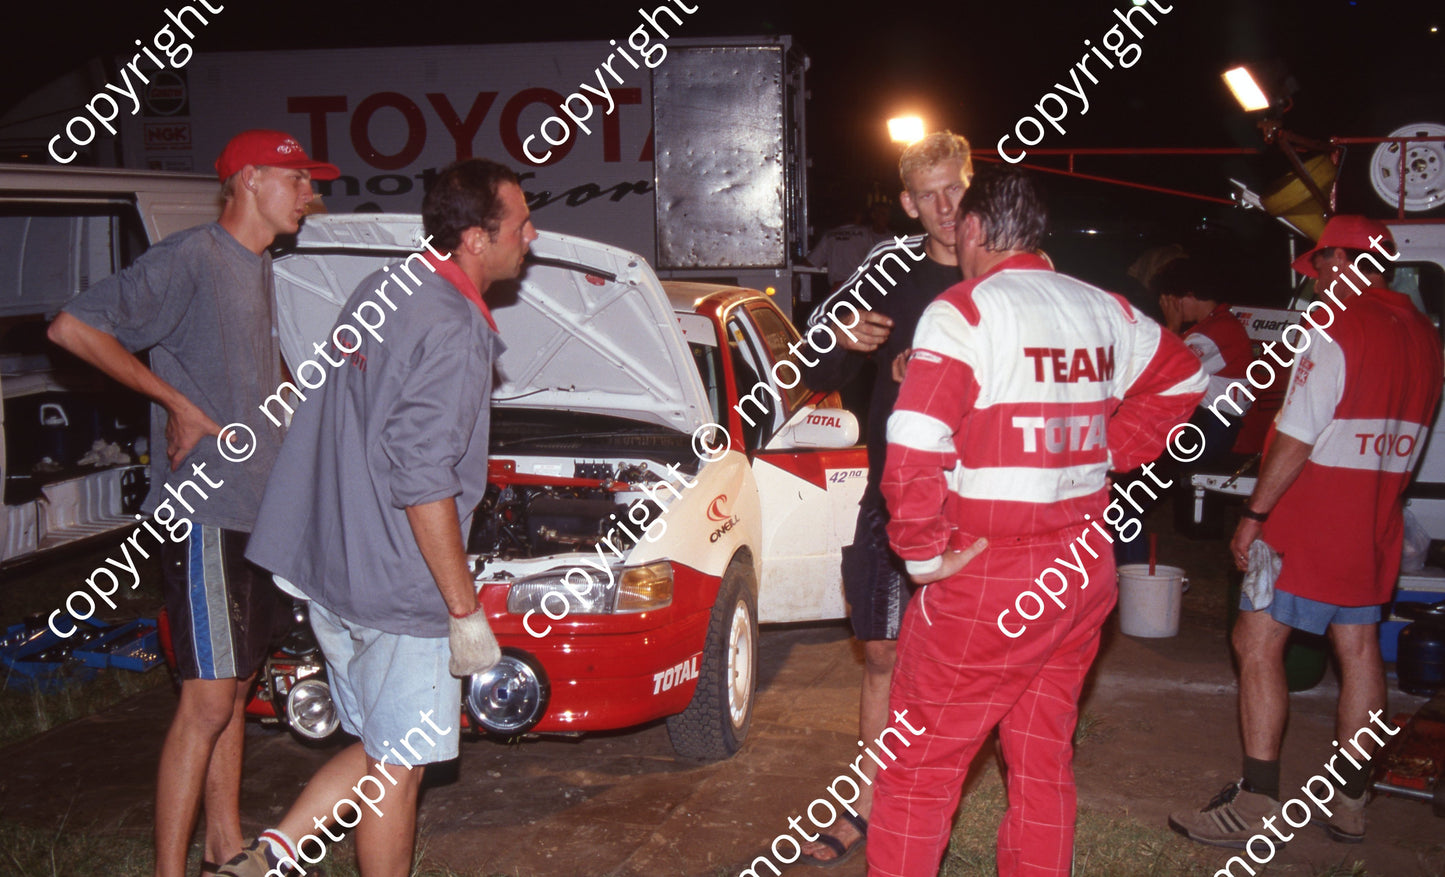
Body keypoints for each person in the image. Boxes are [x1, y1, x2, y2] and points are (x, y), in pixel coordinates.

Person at [868, 166, 1207, 876]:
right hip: (1081, 565)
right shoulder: (1101, 307)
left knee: (917, 771)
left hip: (988, 572)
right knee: (1042, 760)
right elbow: (1183, 376)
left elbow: (913, 447)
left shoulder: (964, 311)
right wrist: (1112, 448)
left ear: (973, 229)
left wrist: (923, 557)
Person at [218, 158, 533, 877]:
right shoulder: (454, 327)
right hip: (400, 586)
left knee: (379, 746)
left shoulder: (382, 288)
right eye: (519, 224)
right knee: (400, 768)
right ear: (476, 240)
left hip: (332, 568)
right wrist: (462, 610)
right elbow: (422, 478)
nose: (531, 236)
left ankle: (264, 858)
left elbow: (349, 423)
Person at [46, 129, 337, 877]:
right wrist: (174, 403)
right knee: (207, 701)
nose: (312, 193)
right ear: (248, 180)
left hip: (257, 510)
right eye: (298, 179)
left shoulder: (258, 267)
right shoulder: (192, 258)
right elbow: (74, 326)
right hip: (206, 510)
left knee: (235, 689)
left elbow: (253, 370)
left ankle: (225, 849)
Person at [1169, 215, 1442, 847]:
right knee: (1361, 651)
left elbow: (1298, 432)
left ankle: (1258, 798)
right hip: (1377, 517)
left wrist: (1256, 514)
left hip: (1312, 515)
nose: (1315, 279)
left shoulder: (1335, 324)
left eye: (1319, 265)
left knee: (1257, 641)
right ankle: (1351, 801)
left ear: (1345, 262)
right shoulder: (1425, 335)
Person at [797, 131, 971, 865]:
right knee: (879, 651)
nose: (944, 206)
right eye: (928, 194)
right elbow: (815, 359)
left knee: (968, 663)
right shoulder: (888, 265)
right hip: (894, 487)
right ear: (906, 202)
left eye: (955, 188)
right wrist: (849, 341)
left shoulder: (1007, 265)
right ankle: (867, 804)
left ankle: (933, 800)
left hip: (977, 496)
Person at [1116, 255, 1254, 565]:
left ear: (1187, 295)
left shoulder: (1215, 332)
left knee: (1126, 500)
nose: (1168, 304)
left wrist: (1172, 325)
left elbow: (1162, 369)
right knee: (1127, 495)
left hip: (1210, 428)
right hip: (1203, 426)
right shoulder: (1214, 325)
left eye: (1171, 299)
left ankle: (1129, 574)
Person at [808, 199, 895, 291]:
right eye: (882, 214)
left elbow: (810, 262)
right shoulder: (866, 234)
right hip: (860, 288)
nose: (886, 218)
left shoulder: (829, 235)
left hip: (838, 289)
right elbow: (876, 260)